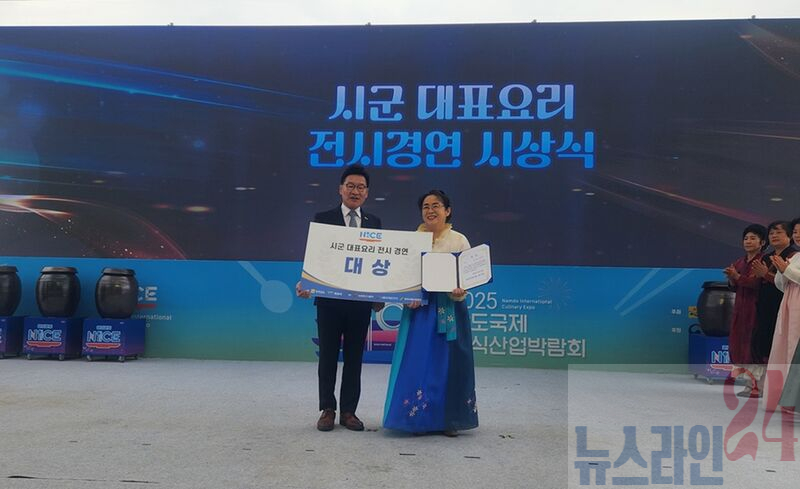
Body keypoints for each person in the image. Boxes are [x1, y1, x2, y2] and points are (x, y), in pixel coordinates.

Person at [383, 190, 479, 437]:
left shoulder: (459, 240)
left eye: (436, 205)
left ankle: (450, 419)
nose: (430, 210)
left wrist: (460, 289)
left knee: (451, 365)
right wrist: (408, 295)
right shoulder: (412, 241)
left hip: (451, 309)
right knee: (418, 363)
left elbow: (468, 277)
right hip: (419, 311)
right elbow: (402, 275)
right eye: (425, 206)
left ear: (448, 210)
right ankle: (416, 419)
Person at [296, 164, 382, 432]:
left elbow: (378, 263)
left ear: (367, 193)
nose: (355, 191)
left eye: (361, 187)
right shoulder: (323, 219)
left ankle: (348, 411)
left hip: (360, 304)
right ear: (340, 189)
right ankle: (327, 409)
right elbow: (316, 257)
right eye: (351, 186)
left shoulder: (374, 223)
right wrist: (306, 282)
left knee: (355, 358)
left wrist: (379, 295)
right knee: (328, 356)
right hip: (329, 302)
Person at [750, 220, 795, 397]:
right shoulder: (766, 257)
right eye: (771, 233)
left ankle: (779, 388)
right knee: (762, 343)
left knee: (778, 346)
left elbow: (789, 283)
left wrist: (766, 275)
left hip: (783, 305)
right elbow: (757, 280)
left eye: (778, 232)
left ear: (789, 236)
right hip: (764, 305)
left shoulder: (793, 256)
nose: (774, 236)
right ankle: (763, 384)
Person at [723, 224, 767, 397]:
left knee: (754, 347)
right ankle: (749, 384)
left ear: (762, 242)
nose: (748, 241)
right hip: (740, 310)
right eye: (746, 238)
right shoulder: (739, 262)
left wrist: (737, 277)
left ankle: (758, 386)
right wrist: (731, 279)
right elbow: (734, 286)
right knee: (740, 345)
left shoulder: (764, 261)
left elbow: (756, 283)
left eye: (753, 238)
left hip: (756, 309)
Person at [764, 217, 800, 411]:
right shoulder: (795, 257)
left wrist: (787, 270)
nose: (797, 235)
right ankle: (785, 399)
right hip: (788, 305)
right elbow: (780, 285)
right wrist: (781, 271)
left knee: (795, 349)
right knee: (783, 347)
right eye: (795, 232)